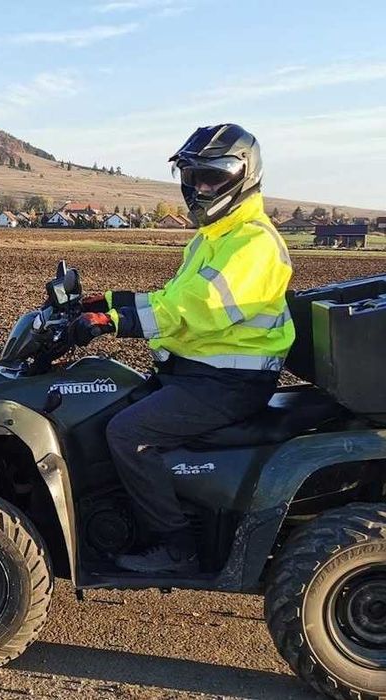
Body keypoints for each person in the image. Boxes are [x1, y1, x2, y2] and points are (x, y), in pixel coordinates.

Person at [70, 124, 294, 574]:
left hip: (229, 382)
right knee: (104, 407)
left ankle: (176, 546)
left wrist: (116, 322)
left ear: (243, 176)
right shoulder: (212, 240)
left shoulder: (253, 243)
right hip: (195, 373)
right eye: (194, 179)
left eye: (212, 178)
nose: (202, 189)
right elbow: (171, 296)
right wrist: (107, 302)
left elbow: (197, 307)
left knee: (128, 433)